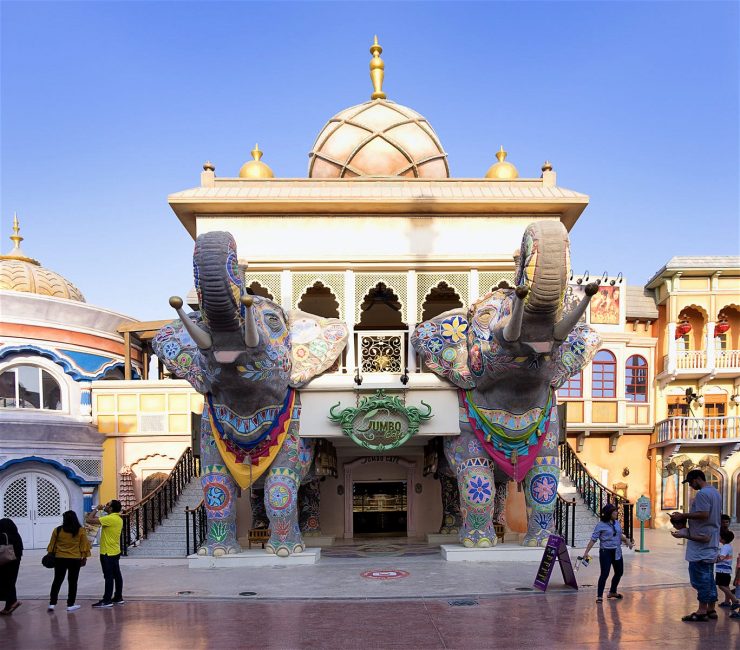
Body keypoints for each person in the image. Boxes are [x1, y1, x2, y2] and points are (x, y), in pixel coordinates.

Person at [670, 469, 722, 622]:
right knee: (709, 578)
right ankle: (711, 609)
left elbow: (704, 514)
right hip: (709, 541)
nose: (691, 486)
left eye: (691, 482)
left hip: (701, 545)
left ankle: (701, 611)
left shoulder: (702, 494)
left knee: (700, 579)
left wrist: (683, 515)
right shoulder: (715, 493)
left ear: (697, 479)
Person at [582, 503, 634, 603]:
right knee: (604, 573)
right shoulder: (600, 525)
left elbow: (619, 535)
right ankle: (599, 596)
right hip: (605, 552)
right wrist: (586, 552)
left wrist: (627, 540)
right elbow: (593, 539)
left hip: (617, 551)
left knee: (619, 572)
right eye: (614, 511)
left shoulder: (617, 523)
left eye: (616, 511)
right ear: (609, 513)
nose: (616, 512)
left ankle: (612, 592)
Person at [47, 511, 91, 612]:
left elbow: (52, 545)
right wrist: (84, 558)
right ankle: (70, 604)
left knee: (57, 580)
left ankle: (52, 603)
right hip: (75, 559)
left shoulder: (58, 530)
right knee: (73, 582)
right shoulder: (80, 530)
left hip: (60, 558)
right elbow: (84, 546)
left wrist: (50, 554)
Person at [86, 500, 124, 608]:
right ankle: (118, 597)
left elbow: (89, 520)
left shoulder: (110, 518)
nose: (105, 506)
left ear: (111, 508)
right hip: (115, 551)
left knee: (108, 576)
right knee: (117, 575)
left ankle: (107, 600)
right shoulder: (118, 518)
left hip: (107, 552)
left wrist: (96, 509)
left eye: (108, 505)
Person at [0, 518, 23, 615]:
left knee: (5, 582)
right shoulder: (16, 535)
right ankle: (9, 605)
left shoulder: (2, 536)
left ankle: (12, 602)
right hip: (15, 561)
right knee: (10, 582)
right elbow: (20, 549)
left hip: (3, 562)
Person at [716, 530, 739, 610]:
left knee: (721, 586)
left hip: (722, 569)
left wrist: (712, 560)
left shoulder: (725, 547)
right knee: (726, 586)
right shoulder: (728, 546)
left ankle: (734, 601)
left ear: (723, 539)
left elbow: (721, 557)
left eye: (719, 536)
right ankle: (727, 602)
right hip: (726, 570)